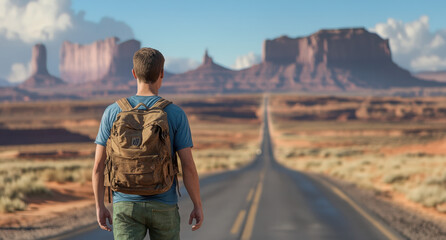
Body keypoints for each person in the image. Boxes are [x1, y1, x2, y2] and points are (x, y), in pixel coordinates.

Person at [92, 47, 203, 240]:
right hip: (164, 205)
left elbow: (98, 167)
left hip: (125, 206)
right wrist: (197, 205)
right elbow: (188, 167)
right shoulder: (175, 114)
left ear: (134, 73)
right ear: (162, 73)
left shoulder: (112, 112)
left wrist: (100, 206)